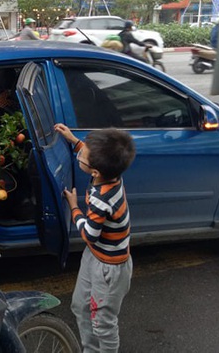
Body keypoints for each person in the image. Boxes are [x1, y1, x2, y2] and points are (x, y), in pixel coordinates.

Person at [54, 124, 135, 353]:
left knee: (103, 324)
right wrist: (73, 140)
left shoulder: (101, 199)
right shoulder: (112, 174)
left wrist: (74, 207)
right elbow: (93, 158)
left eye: (82, 153)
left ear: (95, 172)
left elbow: (90, 234)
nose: (80, 153)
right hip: (97, 256)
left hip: (109, 269)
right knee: (80, 306)